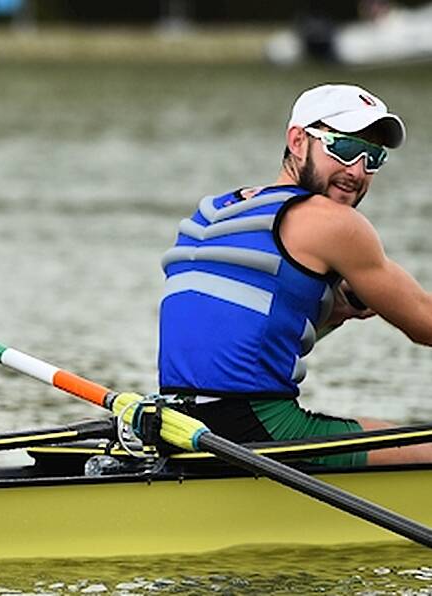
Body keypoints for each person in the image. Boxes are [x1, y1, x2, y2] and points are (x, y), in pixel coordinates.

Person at [158, 83, 432, 466]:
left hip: (173, 425)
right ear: (298, 140)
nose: (357, 171)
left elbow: (237, 336)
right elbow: (425, 325)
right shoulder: (336, 223)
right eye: (345, 148)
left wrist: (337, 309)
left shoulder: (212, 212)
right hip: (254, 431)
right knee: (423, 448)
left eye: (373, 158)